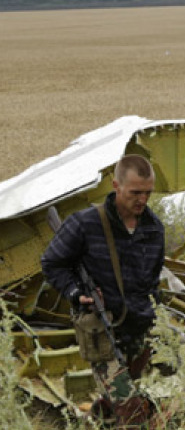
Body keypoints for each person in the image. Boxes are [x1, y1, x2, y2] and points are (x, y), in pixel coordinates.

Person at [42, 154, 164, 415]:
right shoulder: (85, 224)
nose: (142, 200)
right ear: (115, 185)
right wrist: (76, 293)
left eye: (148, 193)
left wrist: (154, 317)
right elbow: (52, 263)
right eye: (135, 192)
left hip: (138, 330)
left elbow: (152, 280)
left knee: (119, 400)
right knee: (133, 410)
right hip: (101, 330)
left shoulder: (154, 228)